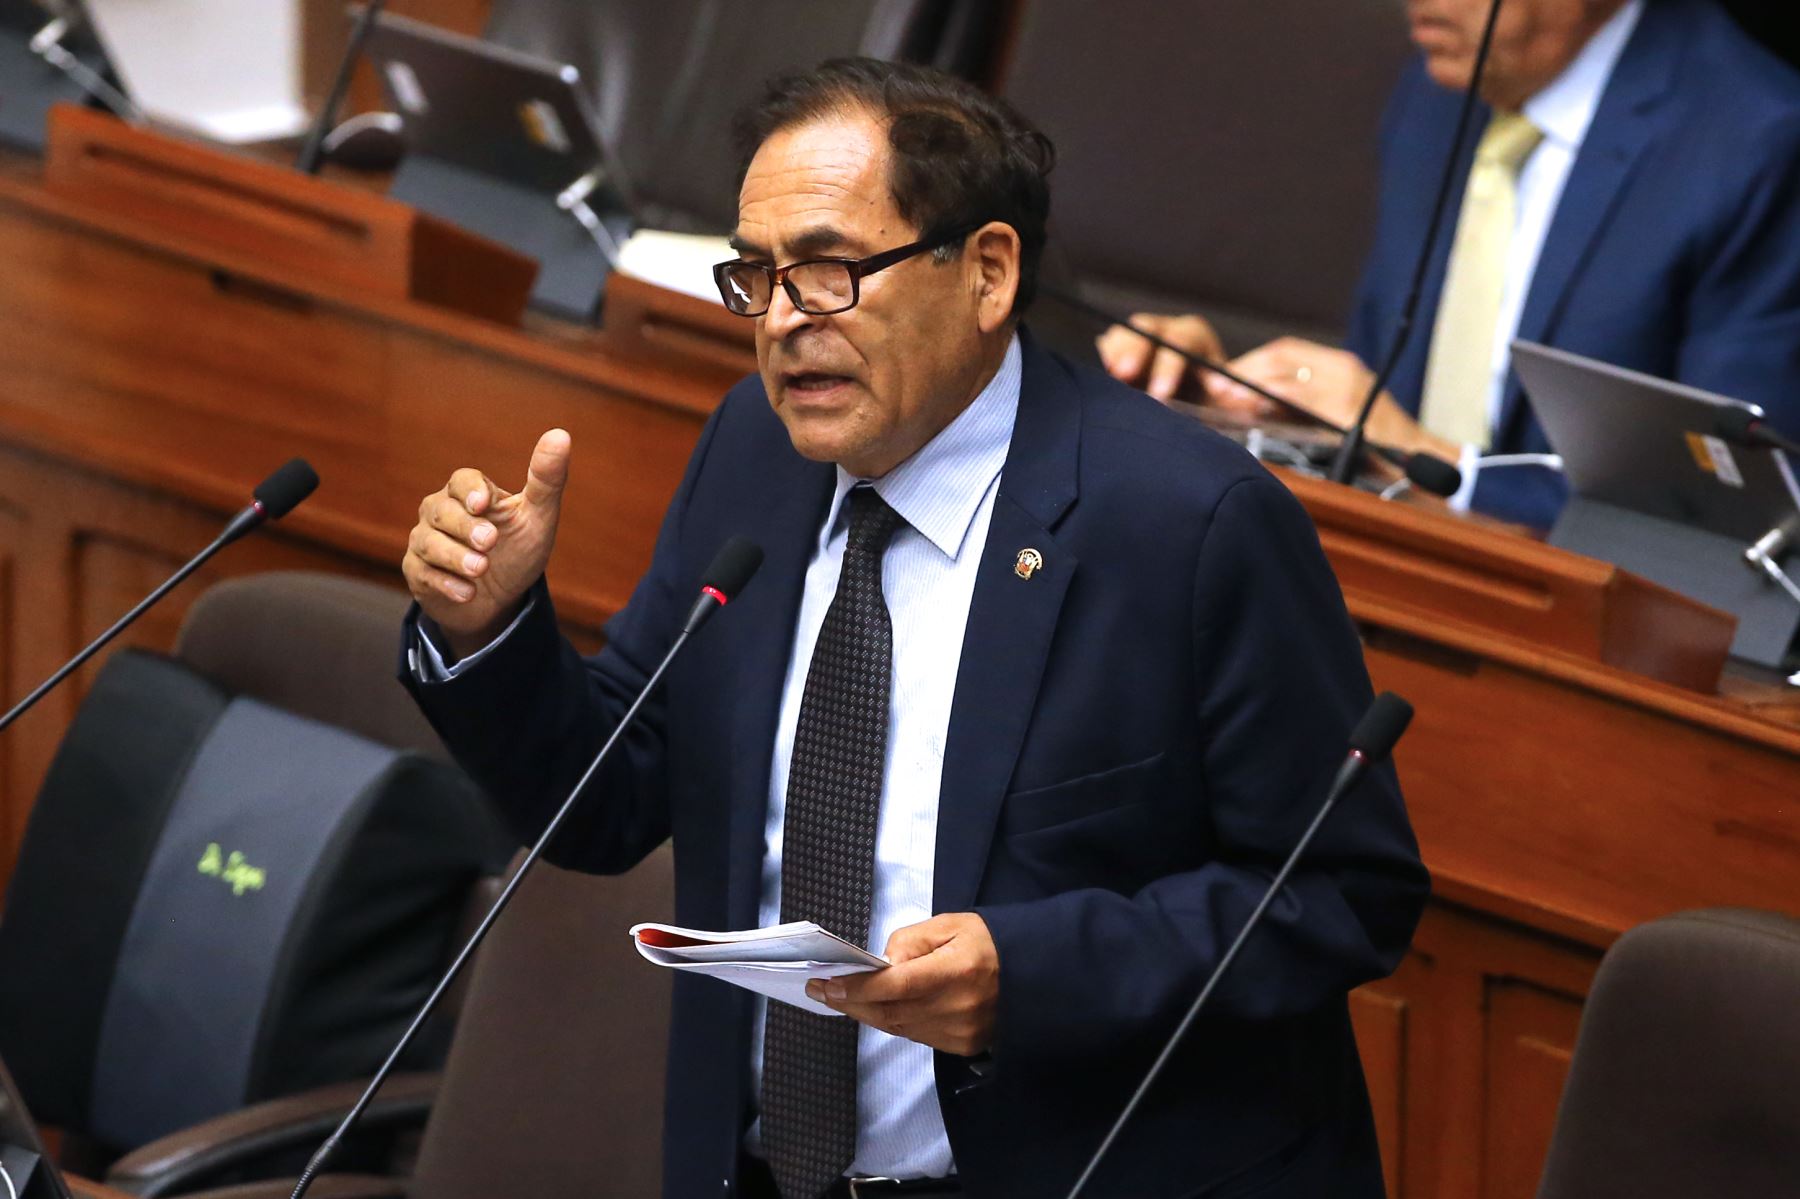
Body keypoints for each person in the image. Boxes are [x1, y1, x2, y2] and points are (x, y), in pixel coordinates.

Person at [399, 58, 1428, 1199]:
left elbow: (1341, 892)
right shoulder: (752, 450)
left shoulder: (1187, 523)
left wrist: (1033, 975)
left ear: (987, 272)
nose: (782, 320)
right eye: (757, 275)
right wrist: (488, 632)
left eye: (829, 270)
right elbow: (616, 790)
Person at [1100, 0, 1800, 528]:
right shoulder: (1438, 95)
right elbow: (1385, 398)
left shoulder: (1757, 142)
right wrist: (1231, 404)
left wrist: (1431, 463)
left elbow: (1727, 522)